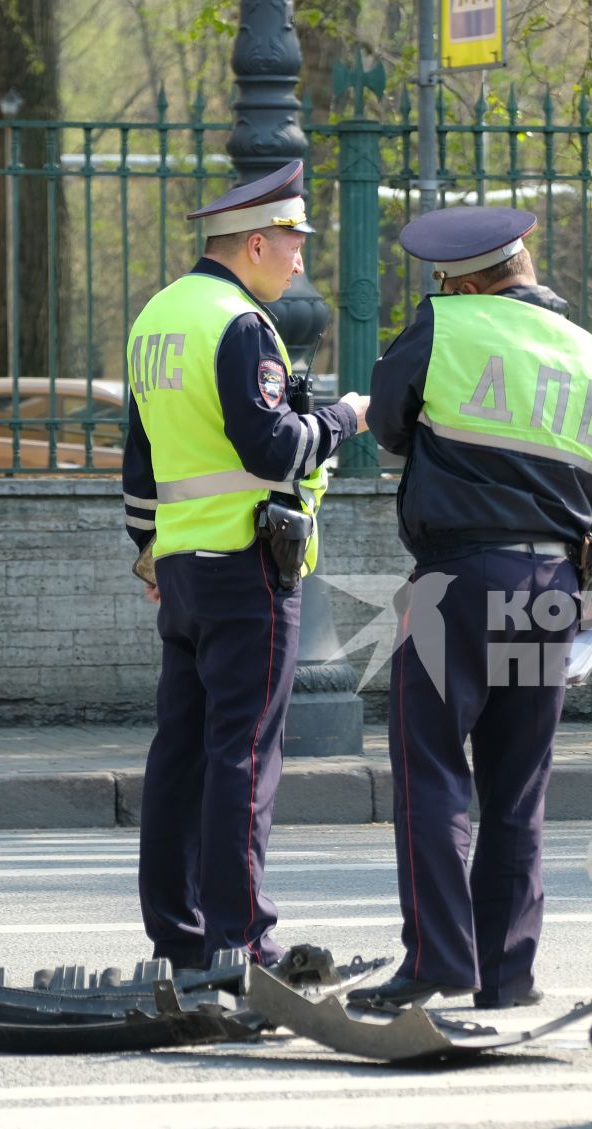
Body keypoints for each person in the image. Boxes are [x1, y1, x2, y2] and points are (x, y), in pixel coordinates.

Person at [355, 205, 592, 1010]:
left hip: (454, 583)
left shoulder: (446, 326)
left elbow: (387, 427)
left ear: (463, 279)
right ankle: (507, 978)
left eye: (444, 281)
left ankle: (438, 962)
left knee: (432, 773)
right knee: (518, 791)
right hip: (554, 593)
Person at [120, 160, 370, 971]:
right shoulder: (239, 324)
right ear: (256, 242)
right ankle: (241, 941)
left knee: (180, 753)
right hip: (246, 566)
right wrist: (342, 419)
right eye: (294, 242)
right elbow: (273, 450)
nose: (300, 260)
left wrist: (148, 550)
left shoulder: (157, 317)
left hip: (182, 570)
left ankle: (178, 936)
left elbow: (137, 463)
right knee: (245, 755)